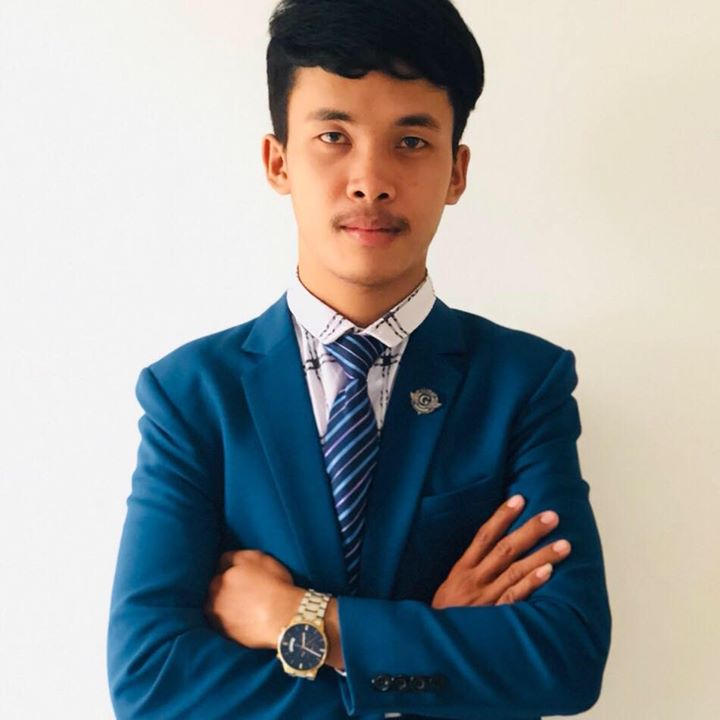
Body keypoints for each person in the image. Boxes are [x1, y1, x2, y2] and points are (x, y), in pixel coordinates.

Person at [106, 1, 611, 718]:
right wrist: (421, 649)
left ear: (456, 171)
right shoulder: (192, 395)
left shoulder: (524, 383)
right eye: (333, 136)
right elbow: (151, 683)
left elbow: (564, 658)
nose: (370, 179)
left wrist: (299, 617)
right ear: (278, 161)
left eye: (411, 141)